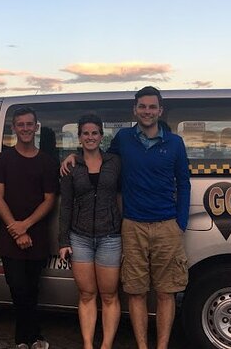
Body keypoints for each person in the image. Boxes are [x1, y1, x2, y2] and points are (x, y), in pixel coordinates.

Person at [62, 87, 191, 349]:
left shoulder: (175, 143)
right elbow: (100, 157)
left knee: (166, 292)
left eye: (152, 107)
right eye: (142, 106)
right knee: (136, 291)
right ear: (135, 110)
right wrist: (74, 156)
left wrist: (181, 223)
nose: (147, 111)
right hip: (131, 225)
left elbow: (184, 183)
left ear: (160, 110)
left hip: (167, 224)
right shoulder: (123, 138)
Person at [0, 107, 59, 349]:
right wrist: (15, 228)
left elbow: (49, 199)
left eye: (29, 124)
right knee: (17, 288)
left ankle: (28, 338)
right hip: (11, 237)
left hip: (36, 236)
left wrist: (25, 226)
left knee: (32, 288)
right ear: (14, 128)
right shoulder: (3, 159)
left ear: (36, 127)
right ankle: (28, 336)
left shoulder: (47, 162)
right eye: (20, 124)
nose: (25, 129)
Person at [58, 114, 122, 349]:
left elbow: (121, 197)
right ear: (79, 136)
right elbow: (65, 205)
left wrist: (123, 231)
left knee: (109, 295)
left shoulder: (115, 162)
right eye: (85, 133)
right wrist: (63, 240)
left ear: (101, 136)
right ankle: (87, 344)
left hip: (110, 237)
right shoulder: (71, 165)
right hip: (80, 237)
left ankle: (106, 345)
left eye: (95, 133)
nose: (90, 137)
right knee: (86, 295)